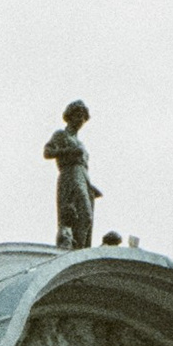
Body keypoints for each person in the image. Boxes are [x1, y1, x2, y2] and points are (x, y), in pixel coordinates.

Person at [44, 101, 101, 250]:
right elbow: (47, 152)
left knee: (87, 217)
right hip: (70, 174)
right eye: (78, 115)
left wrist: (89, 184)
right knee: (79, 214)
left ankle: (80, 248)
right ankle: (72, 246)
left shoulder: (80, 142)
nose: (80, 120)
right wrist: (68, 151)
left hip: (83, 176)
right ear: (69, 116)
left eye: (83, 117)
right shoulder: (61, 134)